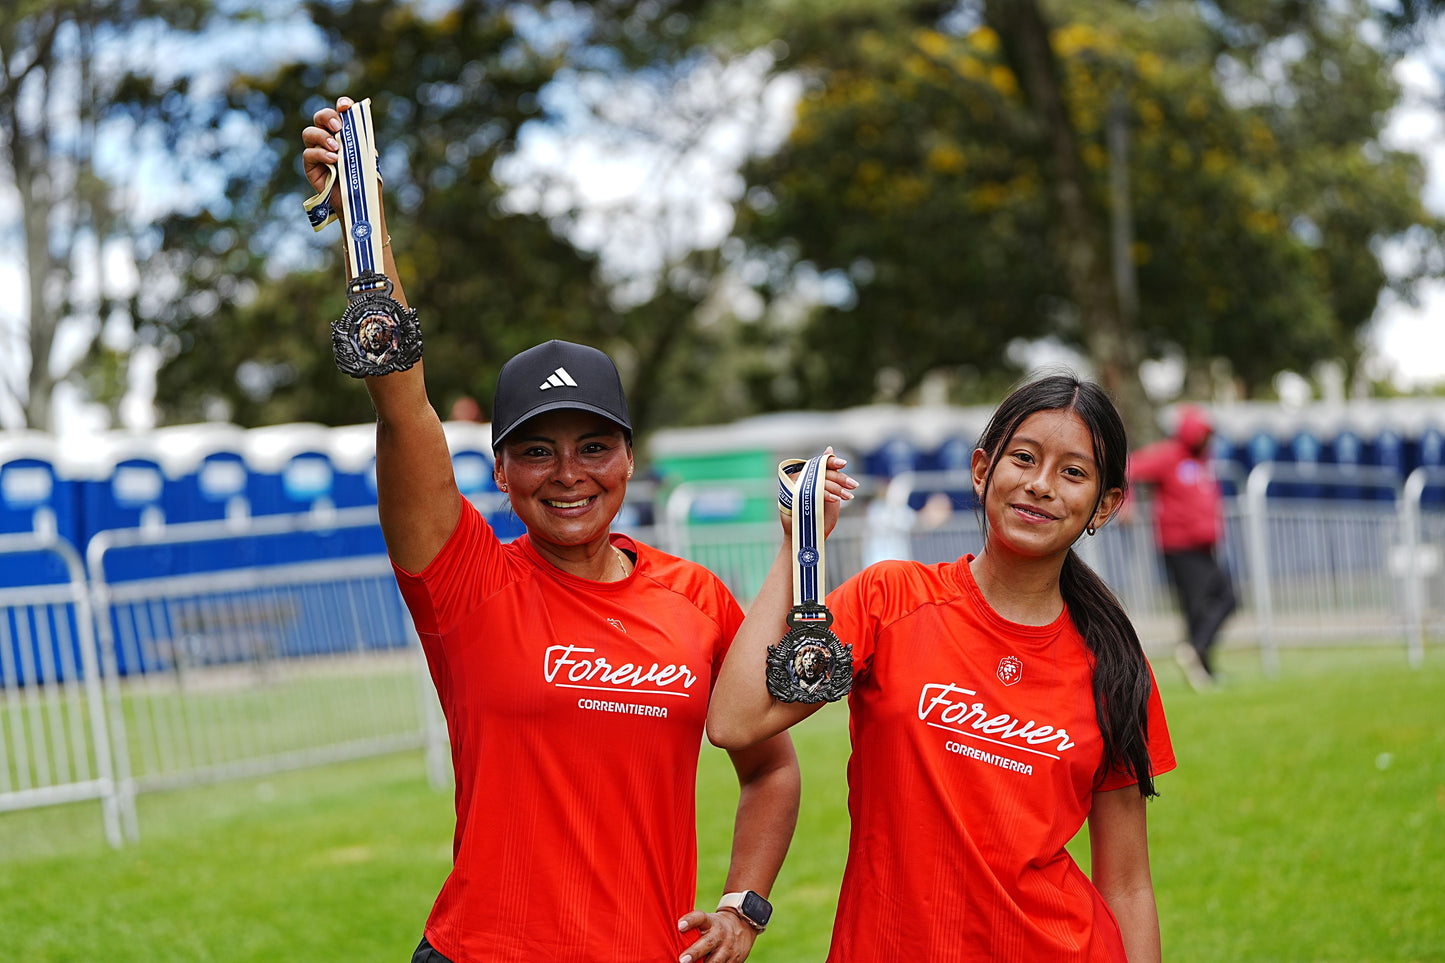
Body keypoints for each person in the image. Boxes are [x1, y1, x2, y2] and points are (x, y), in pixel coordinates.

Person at [302, 97, 800, 963]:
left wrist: (744, 905)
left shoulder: (695, 599)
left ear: (629, 458)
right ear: (499, 471)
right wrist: (365, 229)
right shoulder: (464, 582)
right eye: (536, 450)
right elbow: (404, 404)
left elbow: (770, 766)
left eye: (593, 446)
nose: (568, 473)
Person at [708, 375, 1176, 963]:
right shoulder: (890, 601)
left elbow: (1127, 884)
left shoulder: (1114, 666)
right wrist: (797, 542)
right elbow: (735, 719)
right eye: (1024, 458)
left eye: (1073, 472)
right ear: (982, 469)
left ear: (1105, 506)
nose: (1040, 485)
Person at [1129, 404, 1236, 691]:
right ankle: (1195, 651)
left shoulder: (1203, 459)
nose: (1205, 438)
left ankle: (1201, 664)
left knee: (1208, 605)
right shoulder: (1168, 456)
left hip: (1203, 544)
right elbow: (1128, 469)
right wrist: (1126, 504)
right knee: (1222, 598)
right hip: (1179, 545)